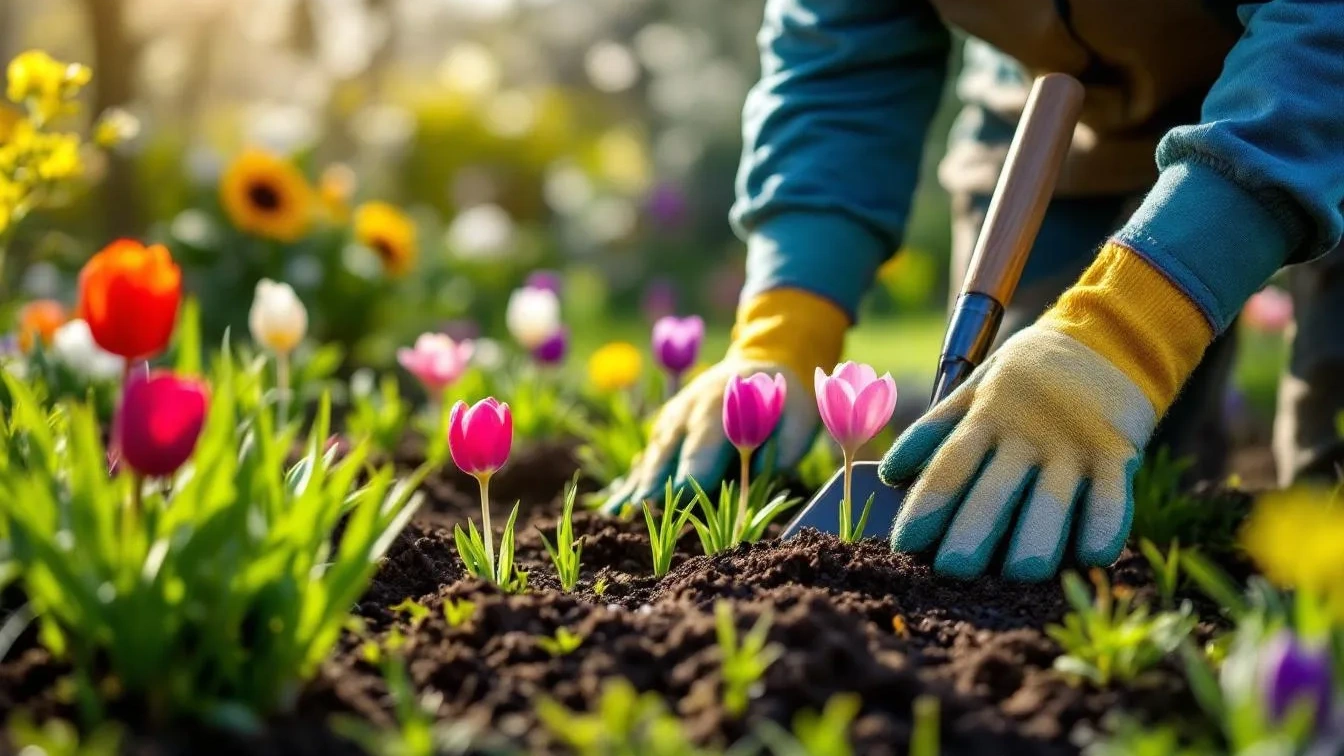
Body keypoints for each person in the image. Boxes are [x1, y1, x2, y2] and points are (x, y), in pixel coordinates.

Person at [604, 0, 1344, 581]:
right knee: (1034, 491)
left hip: (1317, 76)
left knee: (1329, 527)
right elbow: (838, 69)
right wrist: (784, 327)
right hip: (1064, 108)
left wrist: (1128, 328)